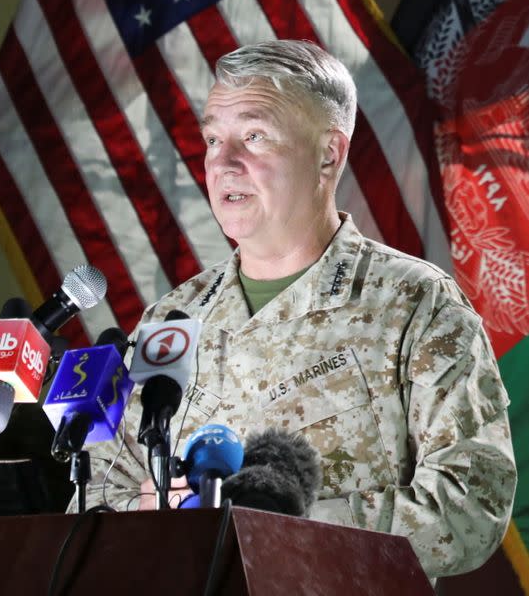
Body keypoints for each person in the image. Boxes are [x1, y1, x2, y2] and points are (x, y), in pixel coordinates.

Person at [81, 39, 516, 581]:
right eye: (214, 138)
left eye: (255, 136)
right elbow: (98, 494)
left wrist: (279, 528)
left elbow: (470, 503)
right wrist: (158, 521)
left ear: (328, 153)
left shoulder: (413, 302)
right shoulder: (172, 319)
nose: (222, 162)